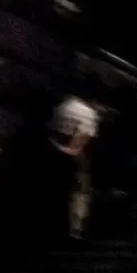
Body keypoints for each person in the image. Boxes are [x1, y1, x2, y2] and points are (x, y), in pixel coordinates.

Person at [47, 90, 100, 240]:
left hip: (54, 151)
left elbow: (51, 129)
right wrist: (74, 152)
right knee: (79, 192)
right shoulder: (88, 113)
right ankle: (75, 229)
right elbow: (83, 135)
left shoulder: (62, 106)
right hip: (75, 156)